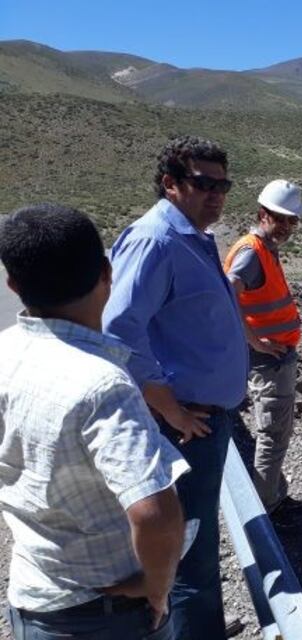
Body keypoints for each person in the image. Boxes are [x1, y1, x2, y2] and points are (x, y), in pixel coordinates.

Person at [0, 204, 188, 639]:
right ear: (107, 273)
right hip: (105, 612)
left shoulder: (5, 352)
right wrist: (157, 588)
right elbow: (155, 513)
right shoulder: (103, 385)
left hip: (34, 599)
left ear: (13, 283)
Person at [103, 136, 249, 639]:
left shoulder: (191, 236)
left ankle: (195, 628)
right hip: (184, 422)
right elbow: (118, 330)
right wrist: (168, 406)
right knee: (187, 550)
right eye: (203, 183)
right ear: (170, 183)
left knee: (197, 544)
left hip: (201, 417)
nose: (216, 195)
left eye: (222, 185)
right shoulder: (157, 240)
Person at [223, 180, 302, 517]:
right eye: (280, 218)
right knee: (273, 433)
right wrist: (255, 340)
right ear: (263, 214)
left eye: (292, 220)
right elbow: (228, 292)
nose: (286, 226)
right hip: (266, 360)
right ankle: (268, 507)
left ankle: (273, 494)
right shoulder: (251, 252)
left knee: (277, 430)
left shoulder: (265, 249)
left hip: (274, 356)